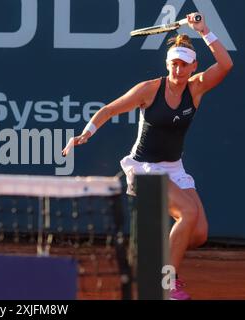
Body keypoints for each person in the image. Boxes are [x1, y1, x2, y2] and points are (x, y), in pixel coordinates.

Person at [62, 12, 233, 300]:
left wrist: (204, 31)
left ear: (194, 66)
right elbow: (108, 110)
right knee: (188, 214)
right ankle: (166, 280)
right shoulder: (149, 89)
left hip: (174, 167)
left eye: (183, 65)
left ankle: (158, 256)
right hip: (144, 168)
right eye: (173, 64)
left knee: (200, 233)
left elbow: (226, 64)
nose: (177, 70)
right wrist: (87, 133)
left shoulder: (197, 87)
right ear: (167, 64)